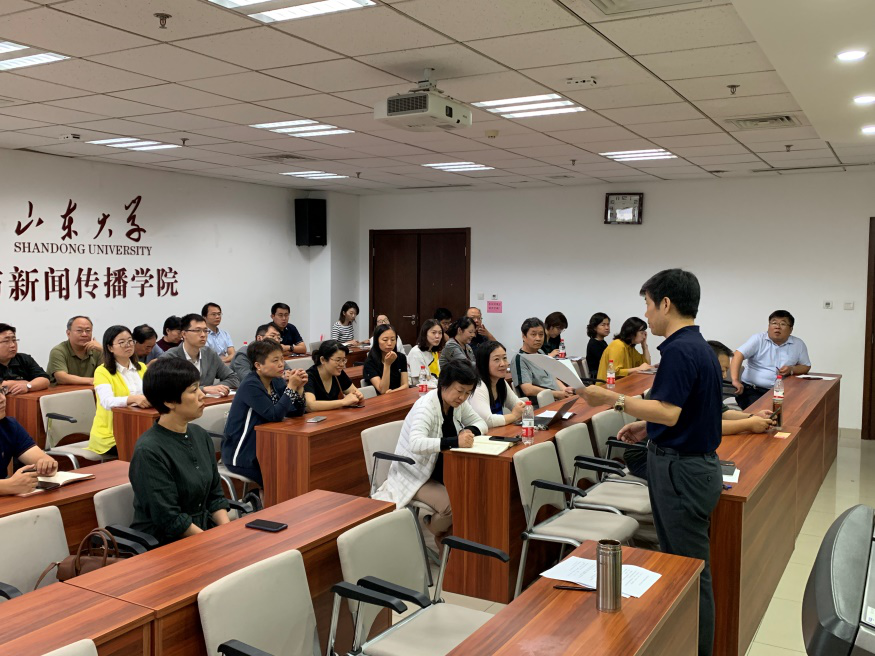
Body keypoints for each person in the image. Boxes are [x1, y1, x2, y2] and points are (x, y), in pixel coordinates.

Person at [579, 268, 724, 656]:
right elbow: (688, 411)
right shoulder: (699, 346)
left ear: (666, 304)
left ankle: (696, 648)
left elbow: (670, 412)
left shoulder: (679, 350)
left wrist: (612, 399)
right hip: (687, 465)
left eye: (647, 303)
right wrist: (648, 426)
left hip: (681, 471)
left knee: (689, 571)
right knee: (684, 565)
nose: (645, 313)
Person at [374, 361, 486, 546]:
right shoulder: (426, 407)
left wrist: (468, 431)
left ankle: (450, 550)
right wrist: (455, 441)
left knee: (475, 494)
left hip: (443, 469)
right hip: (415, 473)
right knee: (453, 506)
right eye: (460, 391)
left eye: (468, 393)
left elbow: (481, 423)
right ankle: (435, 530)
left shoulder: (457, 403)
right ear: (444, 384)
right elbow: (416, 443)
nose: (463, 397)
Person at [129, 358, 230, 545]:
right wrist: (213, 543)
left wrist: (228, 533)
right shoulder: (149, 450)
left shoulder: (200, 435)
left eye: (199, 387)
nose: (202, 395)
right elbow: (169, 518)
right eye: (193, 390)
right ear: (169, 401)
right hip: (165, 543)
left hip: (202, 534)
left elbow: (215, 496)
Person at [222, 340, 307, 486]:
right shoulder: (250, 385)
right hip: (242, 453)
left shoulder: (276, 381)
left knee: (296, 468)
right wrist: (291, 387)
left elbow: (295, 412)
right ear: (258, 365)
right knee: (280, 478)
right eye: (275, 360)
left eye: (282, 359)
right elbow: (275, 415)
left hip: (265, 448)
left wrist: (299, 389)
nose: (281, 364)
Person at [88, 325, 149, 457]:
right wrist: (133, 399)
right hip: (111, 435)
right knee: (147, 450)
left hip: (139, 427)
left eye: (130, 341)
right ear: (110, 348)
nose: (128, 345)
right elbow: (107, 402)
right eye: (122, 342)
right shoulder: (102, 371)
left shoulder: (142, 367)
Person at [730, 311, 811, 408]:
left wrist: (792, 369)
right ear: (768, 326)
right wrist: (735, 380)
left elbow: (806, 366)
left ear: (791, 329)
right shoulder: (758, 339)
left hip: (783, 391)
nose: (777, 327)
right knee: (763, 412)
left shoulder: (798, 344)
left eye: (783, 324)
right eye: (774, 323)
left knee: (800, 408)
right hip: (753, 391)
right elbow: (738, 355)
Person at [161, 314, 239, 396]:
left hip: (208, 402)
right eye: (197, 330)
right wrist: (203, 389)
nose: (203, 335)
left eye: (205, 330)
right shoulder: (169, 358)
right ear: (184, 334)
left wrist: (214, 388)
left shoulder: (210, 354)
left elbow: (234, 379)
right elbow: (166, 388)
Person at [0, 385, 58, 495]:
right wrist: (8, 486)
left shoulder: (9, 426)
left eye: (1, 391)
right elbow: (10, 485)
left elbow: (41, 458)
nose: (2, 398)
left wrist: (47, 465)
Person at [709, 341, 775, 435]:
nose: (724, 376)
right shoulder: (692, 388)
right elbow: (707, 427)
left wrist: (753, 417)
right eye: (722, 371)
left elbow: (724, 413)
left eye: (726, 371)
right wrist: (749, 424)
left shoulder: (711, 387)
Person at [510, 317, 574, 405]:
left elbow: (552, 377)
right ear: (524, 336)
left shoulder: (540, 352)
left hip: (557, 398)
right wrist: (557, 394)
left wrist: (564, 389)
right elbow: (528, 389)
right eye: (533, 334)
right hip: (541, 404)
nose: (538, 338)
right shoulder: (519, 359)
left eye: (541, 334)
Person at [470, 341, 525, 428]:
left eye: (504, 358)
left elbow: (519, 405)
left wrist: (521, 409)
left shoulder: (500, 381)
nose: (503, 364)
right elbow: (487, 421)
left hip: (498, 431)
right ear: (484, 363)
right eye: (496, 359)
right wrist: (514, 416)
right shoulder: (479, 386)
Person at [303, 340, 365, 411]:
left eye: (344, 360)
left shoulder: (338, 373)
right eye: (338, 360)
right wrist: (343, 402)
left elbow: (354, 392)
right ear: (323, 360)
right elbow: (310, 406)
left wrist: (358, 396)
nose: (342, 365)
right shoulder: (309, 376)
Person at [46, 316, 103, 385]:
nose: (84, 334)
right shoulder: (58, 351)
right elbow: (61, 378)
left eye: (88, 331)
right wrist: (92, 380)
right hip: (63, 390)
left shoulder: (97, 350)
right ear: (68, 333)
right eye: (79, 330)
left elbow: (109, 374)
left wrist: (104, 350)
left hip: (90, 390)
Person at [596, 317, 652, 383]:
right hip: (606, 386)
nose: (644, 337)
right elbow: (614, 372)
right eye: (642, 333)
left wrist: (644, 346)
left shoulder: (630, 347)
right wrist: (638, 369)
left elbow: (646, 364)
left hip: (620, 384)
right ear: (632, 332)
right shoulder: (618, 345)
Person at [0, 323, 49, 395]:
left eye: (14, 340)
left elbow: (45, 380)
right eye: (6, 341)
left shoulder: (24, 359)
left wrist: (28, 386)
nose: (13, 345)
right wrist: (26, 382)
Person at [363, 324, 408, 395]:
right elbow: (383, 391)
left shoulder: (401, 357)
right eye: (385, 340)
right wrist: (387, 364)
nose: (389, 343)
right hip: (379, 399)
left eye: (393, 340)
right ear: (377, 341)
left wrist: (392, 392)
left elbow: (405, 385)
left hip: (398, 396)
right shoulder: (370, 363)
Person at [408, 320, 443, 386]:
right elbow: (418, 381)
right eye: (433, 333)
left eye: (440, 333)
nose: (437, 336)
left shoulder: (434, 351)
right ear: (425, 333)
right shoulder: (416, 352)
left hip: (435, 386)